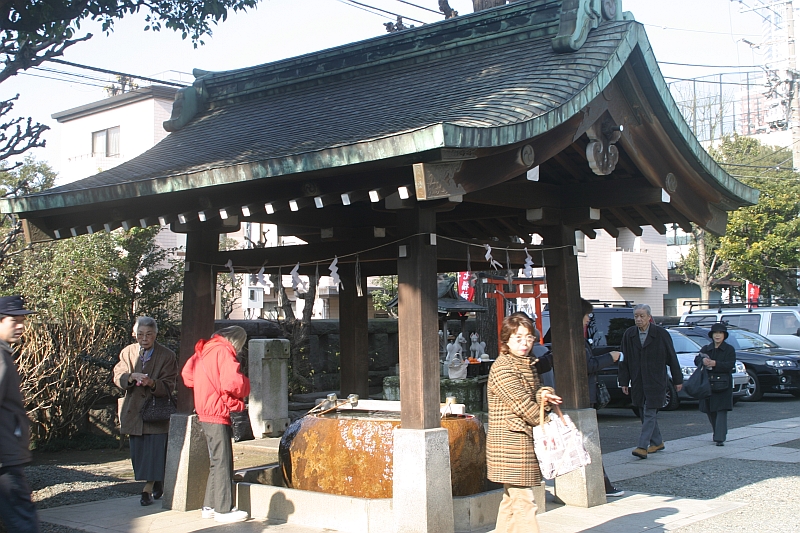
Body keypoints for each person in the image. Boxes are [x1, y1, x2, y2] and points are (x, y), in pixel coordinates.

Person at [486, 314, 561, 533]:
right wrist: (547, 421)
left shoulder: (528, 363)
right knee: (524, 502)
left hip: (522, 440)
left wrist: (544, 394)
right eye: (518, 338)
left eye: (528, 338)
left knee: (512, 502)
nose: (524, 343)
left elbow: (532, 394)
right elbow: (523, 405)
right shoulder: (503, 367)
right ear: (506, 340)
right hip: (510, 442)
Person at [181, 326, 251, 524]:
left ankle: (209, 506)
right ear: (237, 341)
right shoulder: (224, 351)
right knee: (223, 460)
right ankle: (223, 509)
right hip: (218, 410)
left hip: (204, 410)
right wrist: (247, 385)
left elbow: (187, 376)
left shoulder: (203, 350)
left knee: (216, 459)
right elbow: (233, 383)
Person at [112, 316, 177, 506]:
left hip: (156, 412)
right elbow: (117, 375)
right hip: (134, 412)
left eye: (148, 334)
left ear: (155, 335)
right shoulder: (128, 352)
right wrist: (130, 376)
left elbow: (169, 384)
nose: (144, 338)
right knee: (140, 454)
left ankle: (146, 490)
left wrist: (152, 383)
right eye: (140, 334)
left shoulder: (167, 355)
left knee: (155, 452)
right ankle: (156, 482)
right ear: (135, 334)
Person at [618, 304, 683, 459]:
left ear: (649, 317)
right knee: (643, 411)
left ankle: (642, 446)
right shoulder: (629, 334)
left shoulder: (660, 334)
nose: (639, 319)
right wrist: (624, 381)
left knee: (650, 410)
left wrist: (677, 379)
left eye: (642, 316)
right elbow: (623, 359)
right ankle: (657, 442)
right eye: (636, 316)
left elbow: (672, 357)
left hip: (656, 380)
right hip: (638, 380)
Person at [0, 295, 39, 533]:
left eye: (22, 321)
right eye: (14, 320)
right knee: (22, 520)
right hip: (5, 455)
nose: (20, 326)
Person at [580, 299, 624, 497]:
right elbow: (588, 365)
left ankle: (603, 484)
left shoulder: (579, 337)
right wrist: (610, 358)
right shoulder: (576, 338)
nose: (588, 318)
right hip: (583, 395)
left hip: (583, 395)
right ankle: (603, 485)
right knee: (589, 444)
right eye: (586, 315)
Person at [696, 323, 736, 446]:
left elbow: (730, 365)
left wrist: (715, 364)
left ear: (724, 335)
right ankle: (717, 433)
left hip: (723, 384)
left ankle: (720, 437)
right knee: (710, 410)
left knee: (721, 411)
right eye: (715, 333)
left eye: (720, 333)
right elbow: (696, 359)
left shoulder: (729, 349)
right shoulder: (706, 348)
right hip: (708, 384)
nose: (717, 335)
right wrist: (702, 360)